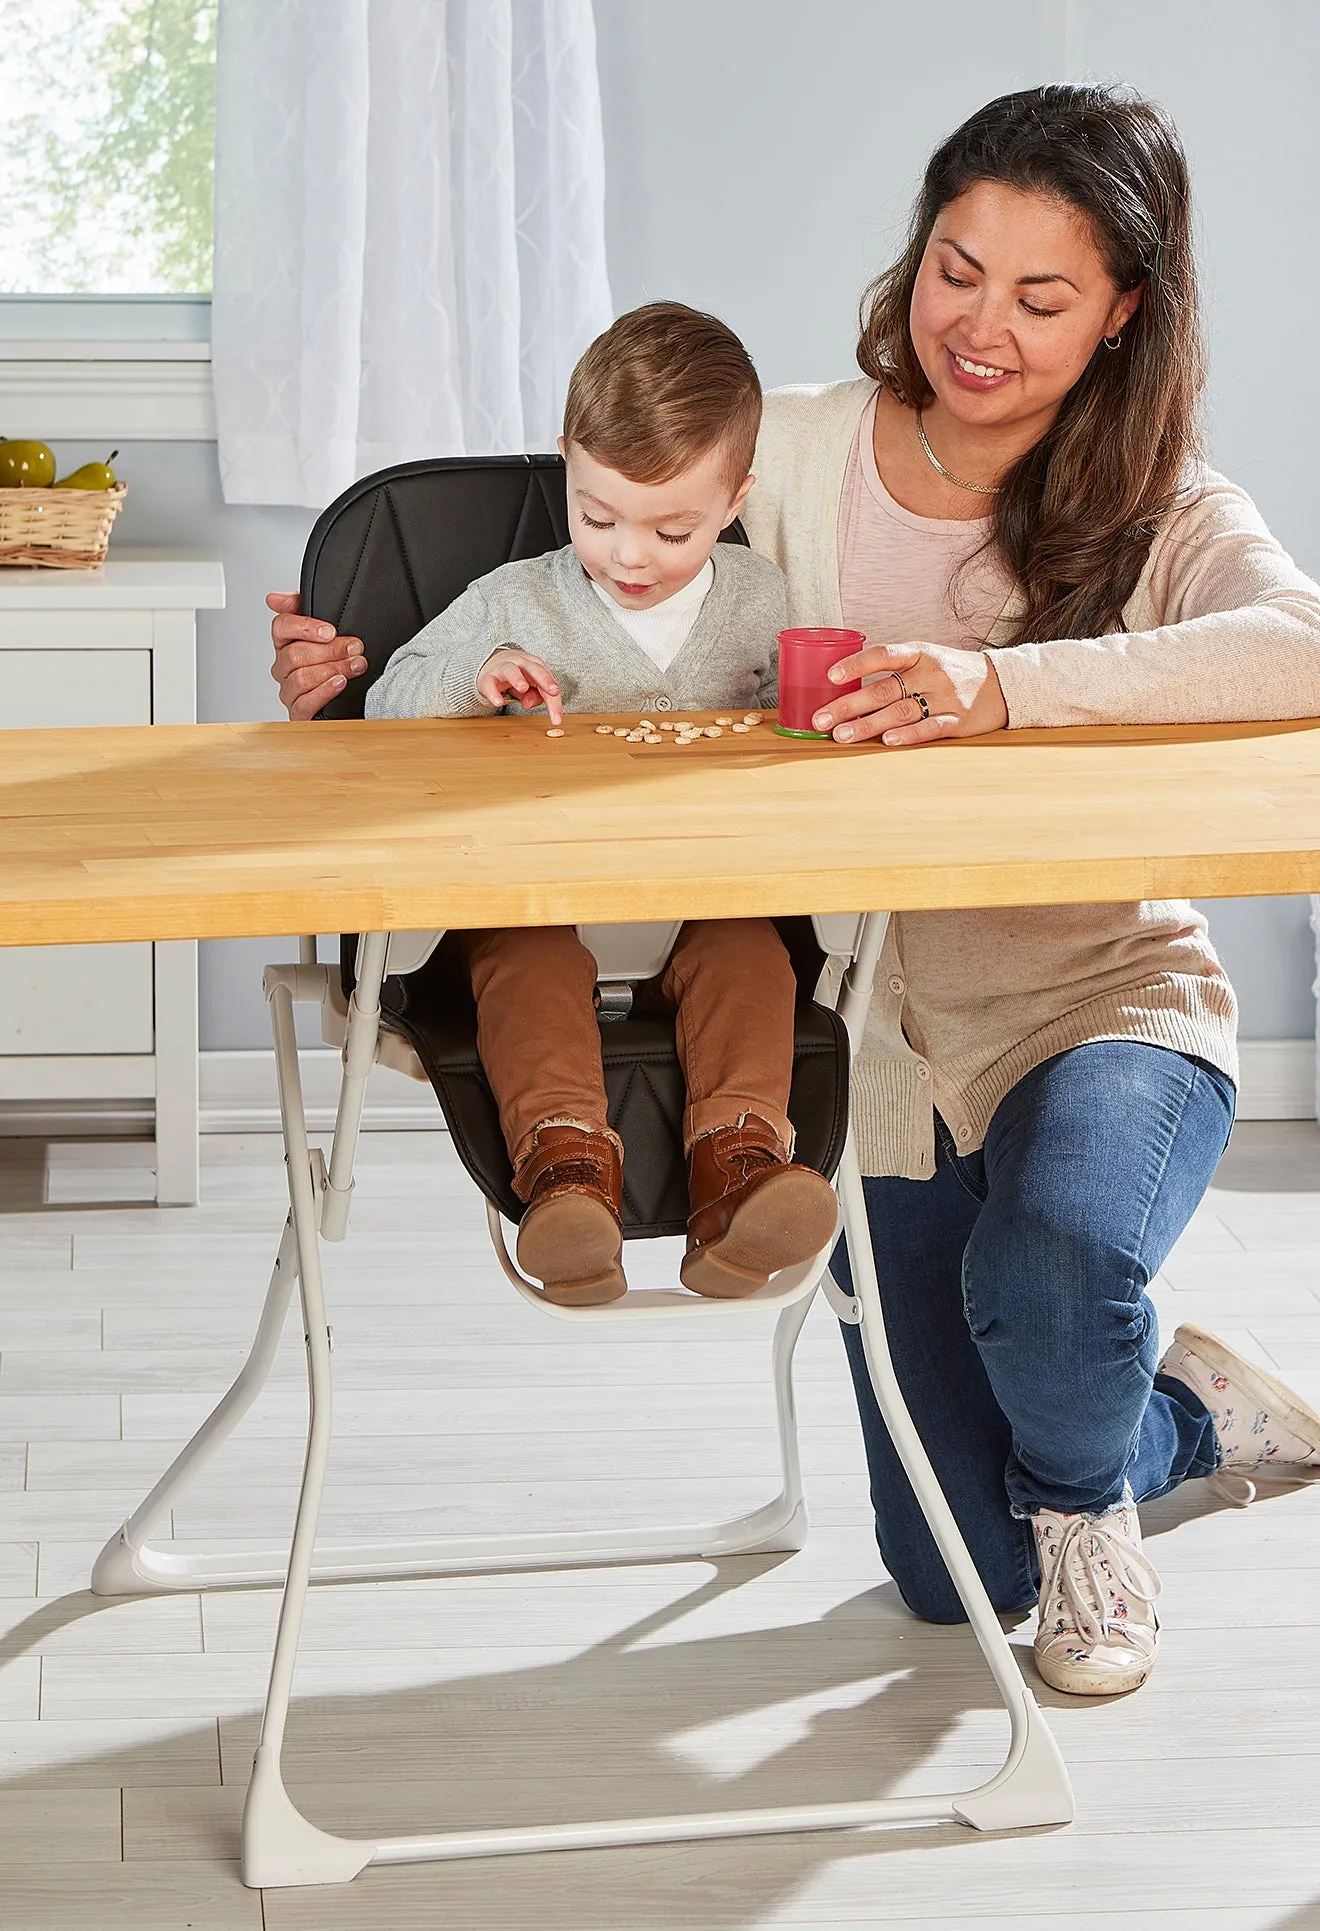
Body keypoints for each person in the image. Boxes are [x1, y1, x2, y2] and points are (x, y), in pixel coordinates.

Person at [267, 85, 1320, 1695]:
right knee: (938, 1573)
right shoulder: (802, 450)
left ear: (1121, 314)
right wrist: (363, 664)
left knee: (1052, 1262)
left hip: (1095, 994)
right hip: (862, 1036)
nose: (978, 324)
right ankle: (1178, 1408)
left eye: (1042, 298)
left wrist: (1002, 685)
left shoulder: (1163, 504)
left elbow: (1297, 645)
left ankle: (1095, 1491)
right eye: (956, 267)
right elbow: (593, 555)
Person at [363, 301, 838, 1308]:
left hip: (710, 892)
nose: (628, 554)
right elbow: (389, 694)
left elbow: (795, 728)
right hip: (543, 896)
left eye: (672, 528)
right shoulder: (519, 599)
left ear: (735, 498)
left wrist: (817, 715)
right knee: (525, 960)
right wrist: (476, 672)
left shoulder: (762, 596)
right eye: (597, 514)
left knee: (749, 955)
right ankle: (566, 1171)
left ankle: (741, 1172)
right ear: (569, 469)